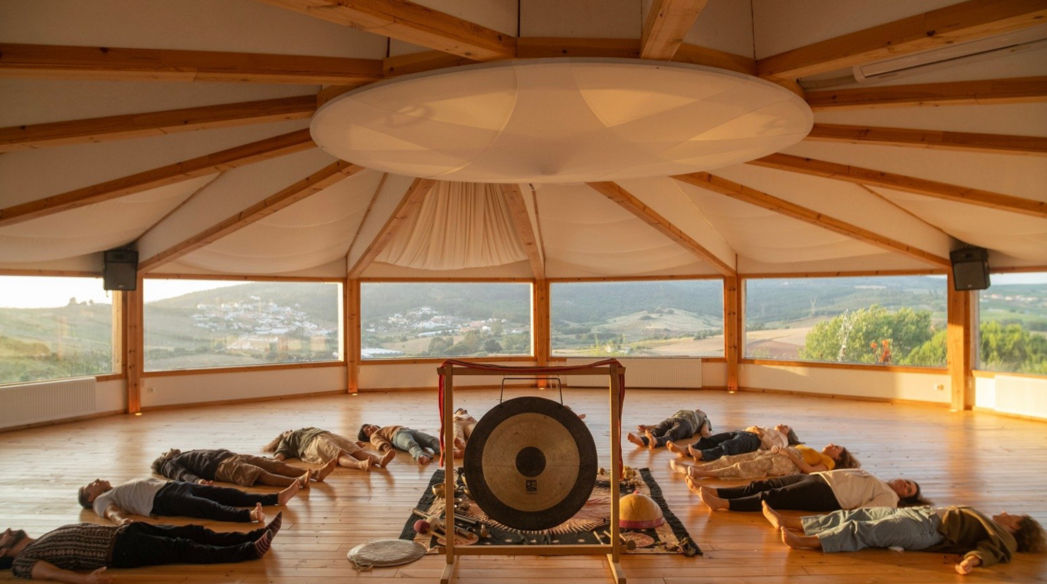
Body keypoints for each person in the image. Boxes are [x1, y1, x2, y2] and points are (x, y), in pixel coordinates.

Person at [763, 503, 1046, 576]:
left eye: (1013, 515)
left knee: (867, 530)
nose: (1007, 513)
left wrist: (970, 563)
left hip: (928, 531)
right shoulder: (995, 527)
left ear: (1018, 527)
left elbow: (989, 552)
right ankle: (793, 522)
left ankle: (808, 542)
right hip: (923, 515)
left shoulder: (1005, 541)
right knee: (859, 514)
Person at [0, 513, 282, 582]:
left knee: (192, 531)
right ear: (2, 552)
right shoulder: (22, 561)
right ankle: (248, 550)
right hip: (118, 549)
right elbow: (47, 573)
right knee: (183, 548)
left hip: (126, 531)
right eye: (2, 536)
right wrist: (84, 579)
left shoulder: (39, 540)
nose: (7, 530)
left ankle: (256, 533)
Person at [78, 477, 298, 525]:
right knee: (205, 508)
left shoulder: (113, 489)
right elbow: (110, 512)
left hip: (172, 486)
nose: (96, 480)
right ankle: (248, 516)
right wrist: (122, 521)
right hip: (162, 499)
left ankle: (277, 497)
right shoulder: (100, 502)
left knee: (227, 493)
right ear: (90, 497)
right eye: (91, 484)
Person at [693, 468, 923, 512]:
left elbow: (869, 511)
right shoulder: (880, 480)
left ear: (904, 497)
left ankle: (725, 505)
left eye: (908, 489)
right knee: (766, 484)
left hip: (829, 495)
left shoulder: (890, 498)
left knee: (774, 497)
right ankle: (718, 492)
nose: (904, 484)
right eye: (907, 481)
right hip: (819, 478)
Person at [669, 442, 859, 481]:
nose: (834, 445)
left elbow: (809, 471)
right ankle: (694, 467)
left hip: (787, 463)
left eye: (838, 448)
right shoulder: (814, 448)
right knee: (732, 458)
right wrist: (778, 449)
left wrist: (789, 455)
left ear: (837, 457)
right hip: (776, 454)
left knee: (743, 467)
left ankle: (704, 474)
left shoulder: (829, 462)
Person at [151, 448, 315, 488]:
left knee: (273, 464)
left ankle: (315, 474)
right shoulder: (169, 465)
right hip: (221, 467)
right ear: (163, 458)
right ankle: (297, 482)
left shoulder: (183, 454)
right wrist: (198, 480)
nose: (171, 449)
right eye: (166, 451)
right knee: (258, 474)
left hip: (230, 456)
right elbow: (181, 475)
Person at [263, 427, 394, 471]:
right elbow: (278, 457)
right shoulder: (286, 441)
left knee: (354, 449)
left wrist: (353, 443)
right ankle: (360, 465)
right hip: (312, 443)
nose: (288, 430)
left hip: (326, 435)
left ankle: (380, 460)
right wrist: (271, 462)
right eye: (285, 432)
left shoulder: (305, 429)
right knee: (338, 454)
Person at [666, 424, 798, 461]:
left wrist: (762, 434)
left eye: (786, 426)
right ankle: (684, 450)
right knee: (713, 439)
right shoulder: (772, 429)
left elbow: (775, 448)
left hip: (754, 440)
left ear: (788, 433)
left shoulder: (783, 439)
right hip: (744, 433)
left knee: (728, 446)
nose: (782, 424)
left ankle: (703, 455)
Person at [625, 408, 712, 449]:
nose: (699, 409)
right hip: (671, 420)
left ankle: (656, 442)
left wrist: (711, 441)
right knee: (658, 430)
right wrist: (648, 427)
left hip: (686, 424)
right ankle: (641, 440)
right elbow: (659, 425)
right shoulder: (686, 411)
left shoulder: (704, 419)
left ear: (704, 414)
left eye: (702, 411)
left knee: (671, 434)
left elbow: (705, 432)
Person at [358, 423, 441, 465]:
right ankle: (421, 456)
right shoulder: (373, 436)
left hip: (409, 431)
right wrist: (386, 448)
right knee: (410, 444)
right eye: (367, 431)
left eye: (369, 426)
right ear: (368, 437)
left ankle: (443, 450)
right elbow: (378, 441)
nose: (370, 429)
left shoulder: (383, 429)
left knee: (430, 439)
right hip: (397, 436)